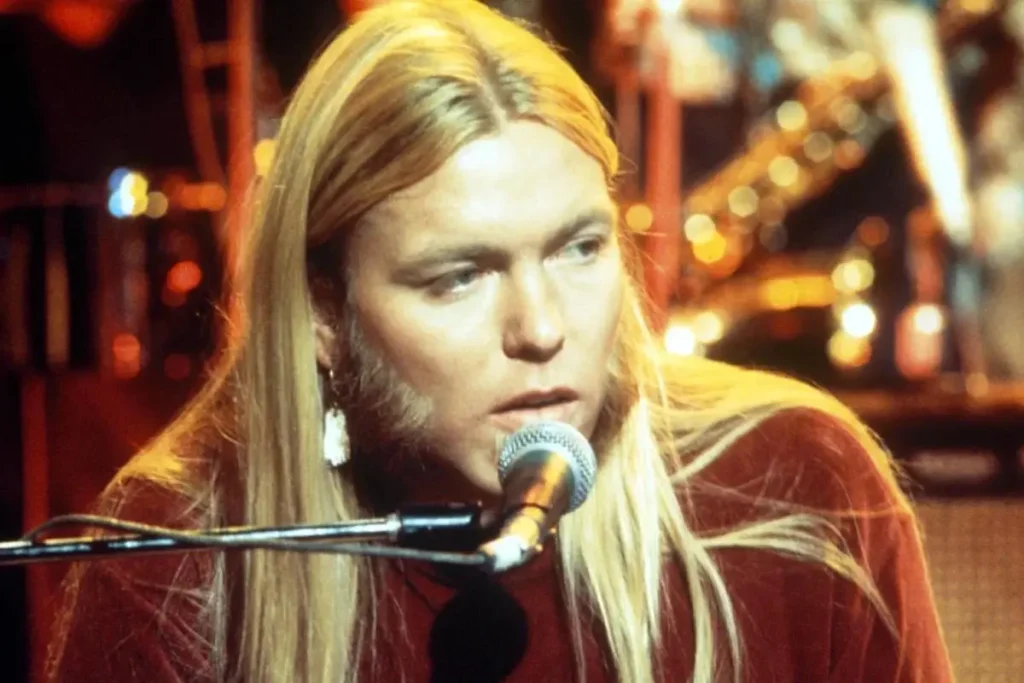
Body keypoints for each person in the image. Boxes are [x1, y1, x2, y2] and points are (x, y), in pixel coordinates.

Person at [47, 1, 954, 682]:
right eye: (460, 276)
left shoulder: (794, 486)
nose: (543, 328)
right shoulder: (178, 564)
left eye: (580, 249)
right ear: (324, 313)